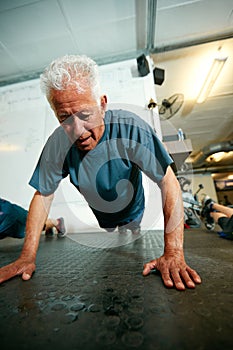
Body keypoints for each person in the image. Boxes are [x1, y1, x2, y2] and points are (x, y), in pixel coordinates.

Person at [0, 55, 201, 290]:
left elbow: (168, 182)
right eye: (65, 118)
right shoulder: (58, 144)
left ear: (103, 104)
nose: (78, 131)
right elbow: (43, 195)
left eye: (85, 116)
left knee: (130, 231)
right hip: (101, 212)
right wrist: (27, 257)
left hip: (133, 207)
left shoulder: (131, 128)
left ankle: (131, 229)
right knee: (110, 228)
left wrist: (174, 252)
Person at [0, 198, 66, 239]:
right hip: (7, 212)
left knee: (32, 225)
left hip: (9, 214)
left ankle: (57, 222)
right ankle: (47, 225)